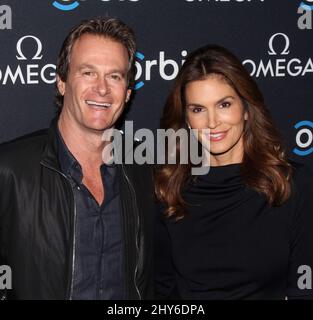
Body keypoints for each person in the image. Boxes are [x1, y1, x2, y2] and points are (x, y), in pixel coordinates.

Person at [0, 17, 155, 300]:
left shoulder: (143, 169)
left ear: (128, 92)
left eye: (115, 76)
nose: (102, 88)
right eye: (88, 73)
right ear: (61, 82)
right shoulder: (9, 170)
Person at [155, 44, 313, 300]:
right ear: (186, 118)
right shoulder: (167, 191)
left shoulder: (289, 185)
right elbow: (162, 290)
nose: (212, 122)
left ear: (246, 109)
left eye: (224, 104)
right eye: (198, 109)